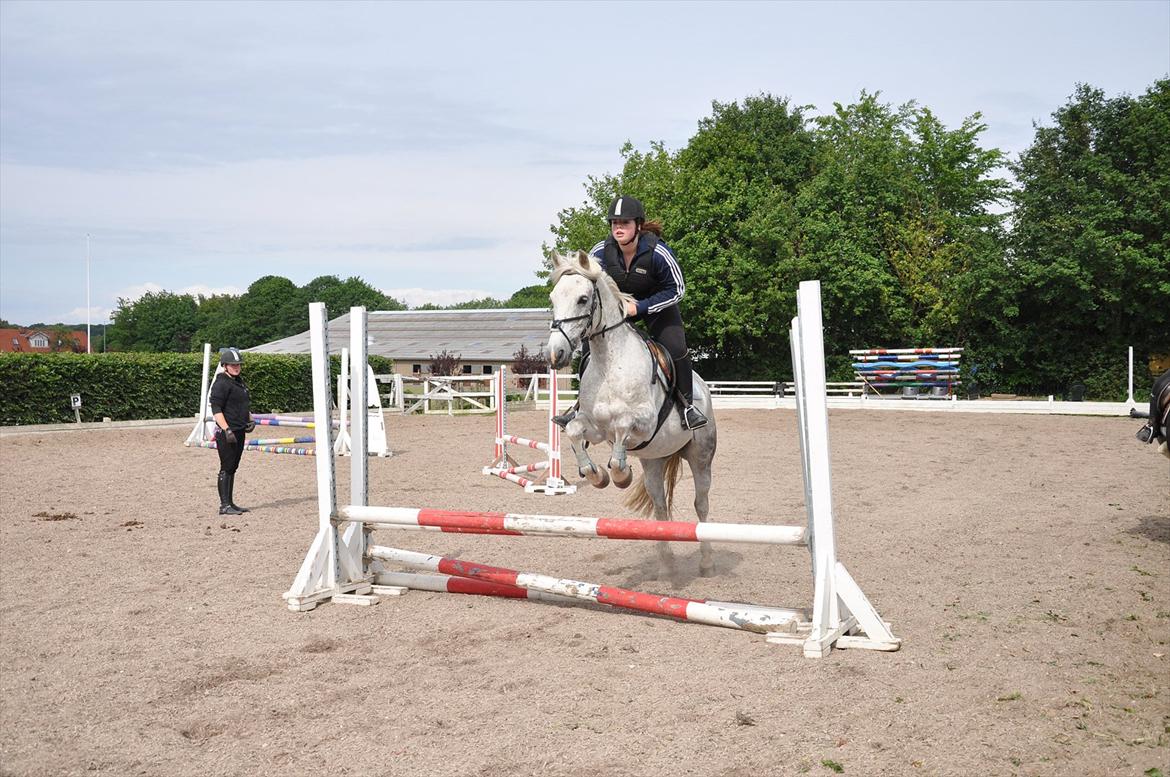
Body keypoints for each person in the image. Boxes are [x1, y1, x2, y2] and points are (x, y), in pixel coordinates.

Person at [555, 195, 708, 430]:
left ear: (638, 225)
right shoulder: (600, 252)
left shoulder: (659, 252)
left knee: (676, 348)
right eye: (615, 223)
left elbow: (677, 289)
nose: (619, 228)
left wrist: (641, 306)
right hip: (618, 313)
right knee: (589, 347)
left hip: (657, 310)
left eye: (624, 223)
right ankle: (580, 406)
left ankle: (687, 407)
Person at [209, 347, 255, 515]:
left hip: (240, 430)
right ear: (225, 365)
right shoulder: (221, 383)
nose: (236, 367)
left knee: (233, 467)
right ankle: (224, 505)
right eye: (233, 365)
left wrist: (250, 419)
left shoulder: (238, 381)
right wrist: (226, 429)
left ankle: (230, 503)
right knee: (226, 467)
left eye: (238, 364)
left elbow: (242, 404)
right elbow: (216, 409)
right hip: (227, 432)